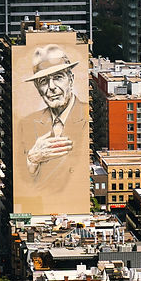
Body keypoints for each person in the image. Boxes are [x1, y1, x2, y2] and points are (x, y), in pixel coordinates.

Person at [14, 43, 88, 203]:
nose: (51, 87)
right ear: (37, 87)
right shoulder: (26, 124)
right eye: (43, 81)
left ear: (71, 79)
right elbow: (22, 180)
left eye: (58, 78)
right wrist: (32, 160)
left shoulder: (88, 117)